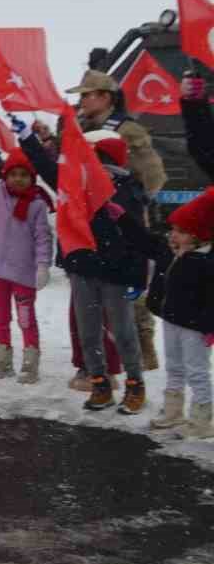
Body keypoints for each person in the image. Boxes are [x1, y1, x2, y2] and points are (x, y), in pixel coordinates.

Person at [15, 120, 150, 413]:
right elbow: (48, 168)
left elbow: (140, 237)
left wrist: (139, 278)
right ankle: (99, 383)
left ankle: (135, 386)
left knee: (123, 332)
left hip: (115, 273)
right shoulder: (76, 183)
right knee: (88, 332)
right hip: (83, 267)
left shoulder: (128, 191)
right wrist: (27, 138)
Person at [69, 69, 167, 374]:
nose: (82, 100)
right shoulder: (79, 127)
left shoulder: (129, 130)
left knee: (129, 288)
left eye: (87, 94)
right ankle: (101, 360)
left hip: (123, 217)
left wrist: (130, 205)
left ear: (105, 97)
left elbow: (154, 176)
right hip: (90, 220)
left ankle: (144, 352)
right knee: (94, 290)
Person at [116, 187, 214, 439]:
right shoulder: (170, 251)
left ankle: (202, 419)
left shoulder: (207, 262)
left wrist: (209, 326)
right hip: (172, 320)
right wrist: (121, 218)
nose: (173, 235)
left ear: (199, 235)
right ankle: (173, 411)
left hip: (195, 327)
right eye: (173, 229)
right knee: (174, 366)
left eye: (181, 231)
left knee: (197, 371)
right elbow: (143, 239)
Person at [0, 150, 53, 384]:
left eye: (24, 175)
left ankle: (30, 363)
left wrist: (43, 265)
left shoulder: (37, 205)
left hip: (23, 274)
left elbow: (43, 238)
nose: (18, 179)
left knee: (26, 319)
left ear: (32, 178)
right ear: (4, 176)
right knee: (0, 317)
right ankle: (3, 359)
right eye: (13, 174)